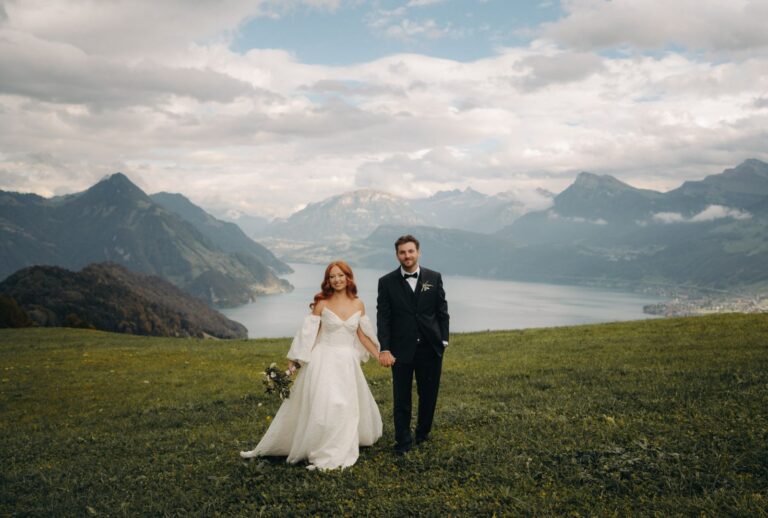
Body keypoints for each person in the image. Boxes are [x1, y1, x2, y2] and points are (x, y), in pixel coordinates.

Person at [240, 261, 383, 470]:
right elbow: (309, 335)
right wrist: (294, 364)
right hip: (323, 361)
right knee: (326, 406)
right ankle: (323, 449)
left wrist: (380, 356)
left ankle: (337, 447)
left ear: (348, 277)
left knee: (344, 407)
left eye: (340, 275)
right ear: (328, 280)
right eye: (332, 276)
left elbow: (363, 335)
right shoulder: (322, 303)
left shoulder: (358, 304)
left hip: (347, 365)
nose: (337, 280)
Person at [377, 235, 449, 455]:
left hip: (431, 348)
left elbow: (442, 312)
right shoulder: (386, 282)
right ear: (397, 255)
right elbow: (384, 318)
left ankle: (423, 434)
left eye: (410, 251)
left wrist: (443, 340)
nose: (407, 256)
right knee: (402, 398)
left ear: (418, 252)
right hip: (401, 350)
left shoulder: (433, 278)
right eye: (402, 252)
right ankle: (403, 442)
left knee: (429, 395)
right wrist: (385, 348)